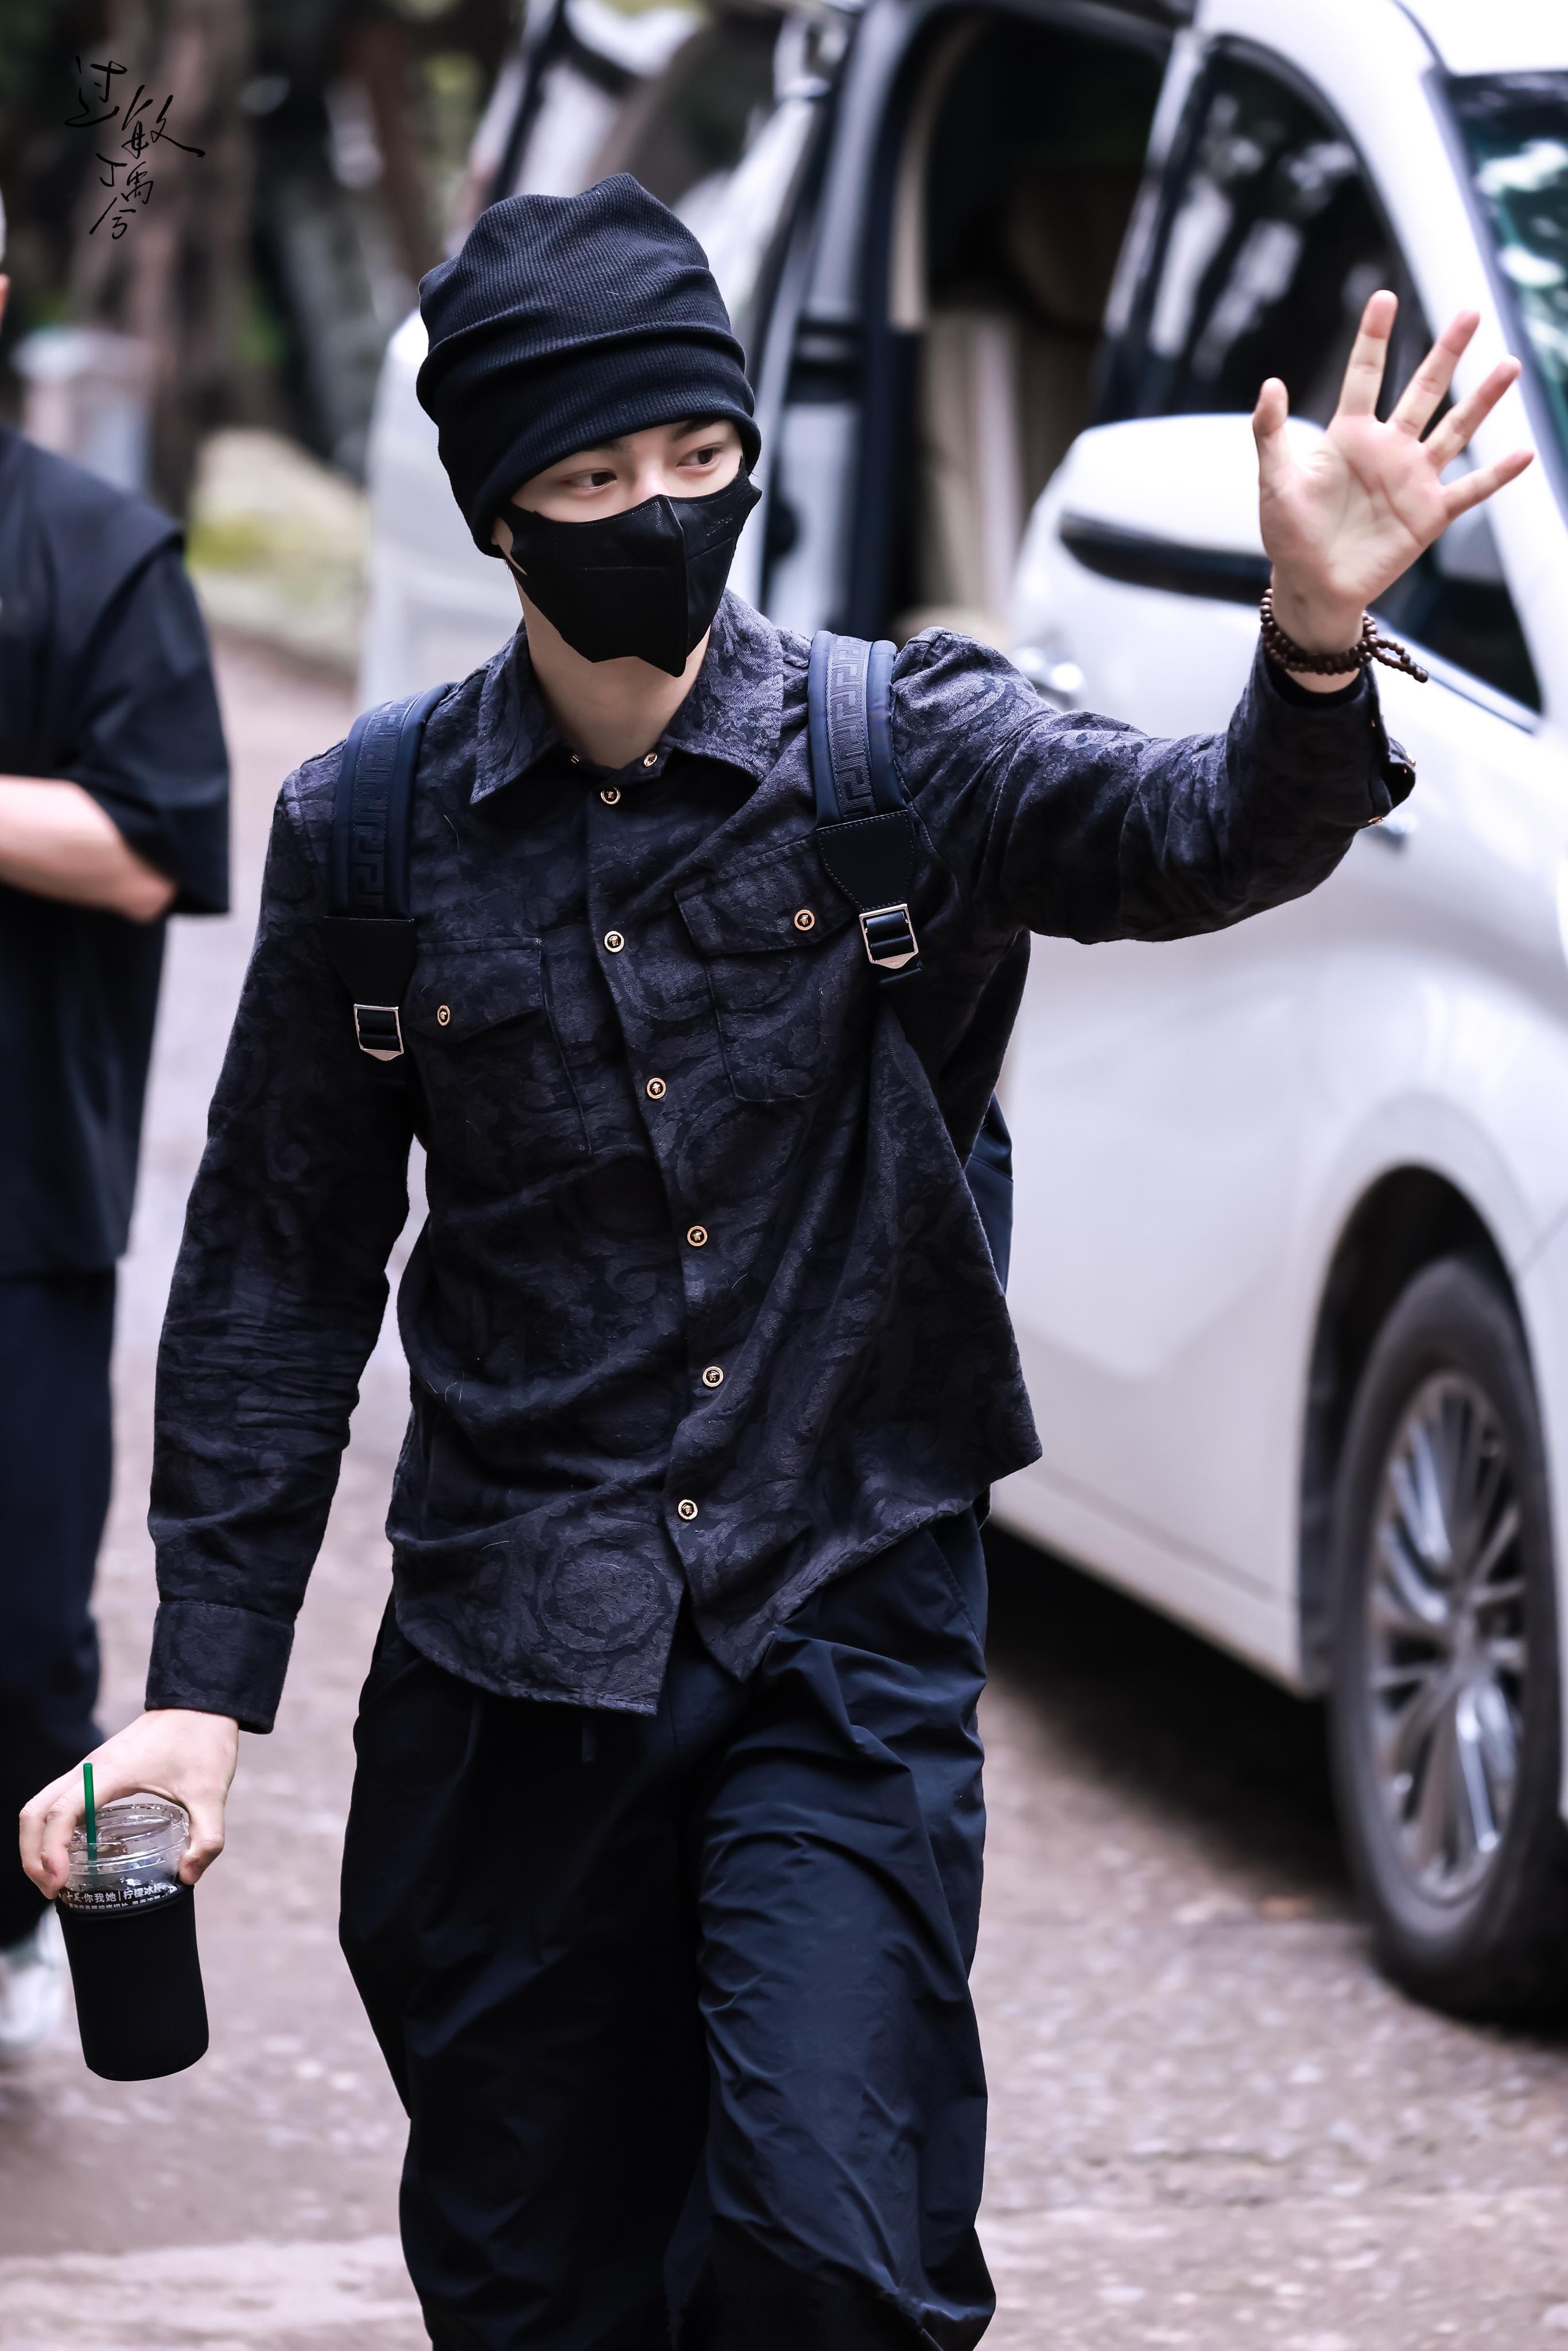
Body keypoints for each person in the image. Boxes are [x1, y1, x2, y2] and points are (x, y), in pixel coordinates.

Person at [21, 176, 1530, 2344]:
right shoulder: (368, 832)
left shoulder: (899, 748)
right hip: (509, 1667)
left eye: (699, 454)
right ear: (499, 512)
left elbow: (1194, 832)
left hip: (840, 1624)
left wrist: (1307, 649)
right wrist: (199, 1691)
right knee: (539, 2289)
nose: (659, 510)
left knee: (834, 2258)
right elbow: (278, 1260)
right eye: (593, 478)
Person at [0, 188, 230, 2066]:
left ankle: (19, 1927)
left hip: (19, 1193)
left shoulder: (95, 550)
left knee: (16, 1628)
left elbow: (155, 844)